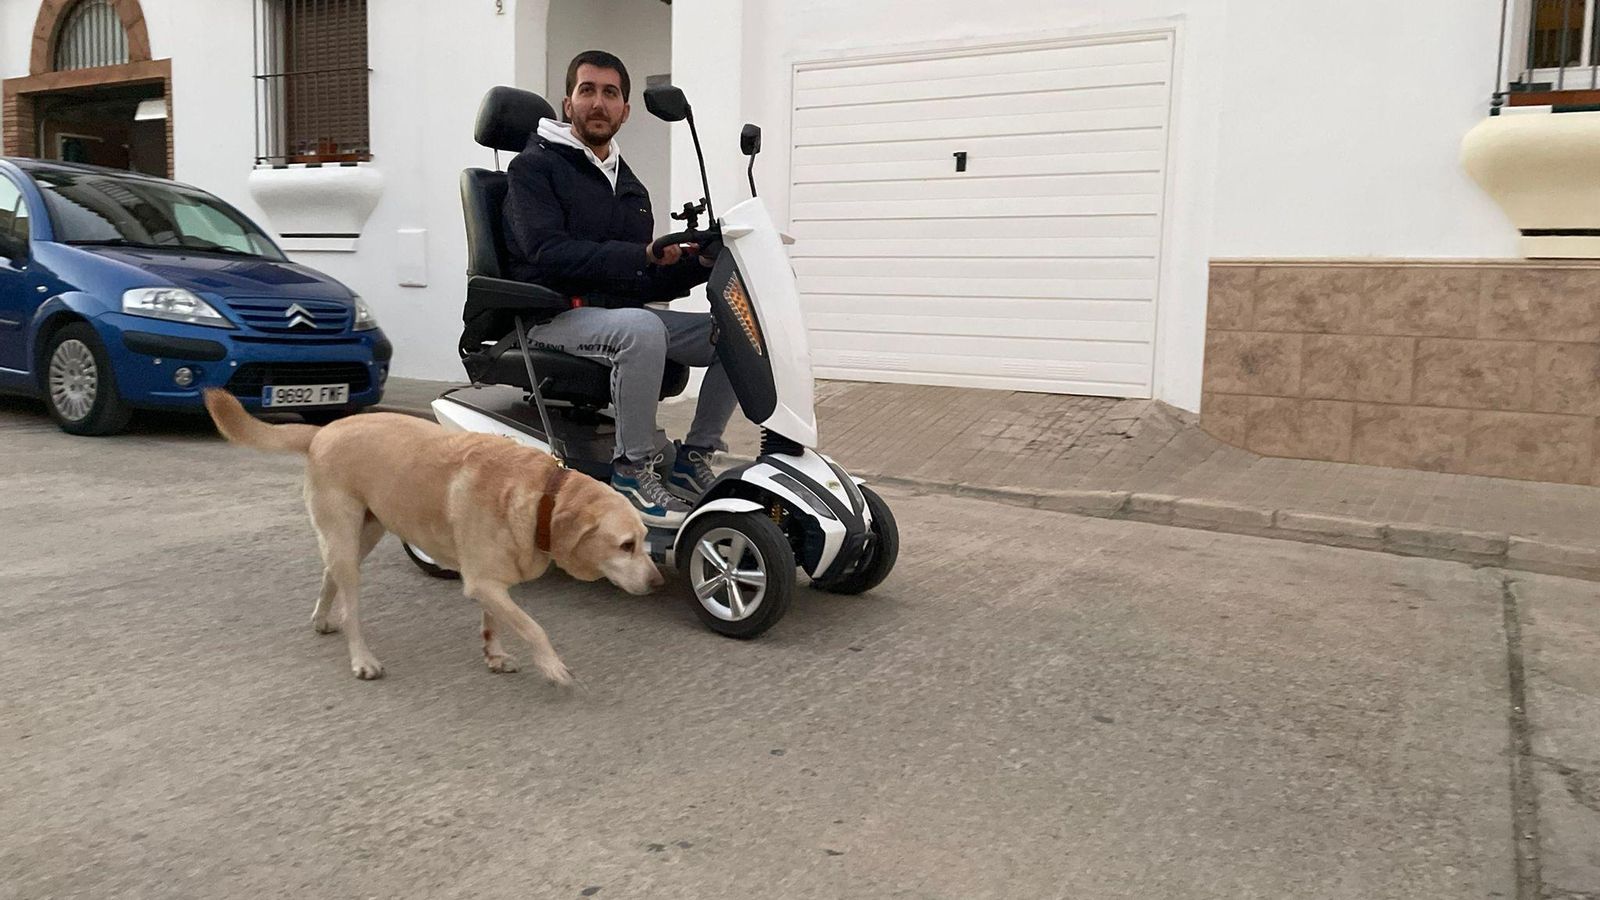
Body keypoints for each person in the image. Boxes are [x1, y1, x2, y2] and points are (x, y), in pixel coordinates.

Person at [500, 50, 737, 527]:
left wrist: (696, 261)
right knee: (642, 328)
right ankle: (631, 469)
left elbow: (639, 276)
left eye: (611, 94)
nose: (598, 103)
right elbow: (548, 252)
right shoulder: (533, 169)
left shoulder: (629, 186)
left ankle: (693, 458)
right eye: (587, 90)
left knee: (735, 333)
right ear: (567, 104)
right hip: (550, 315)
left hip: (615, 316)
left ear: (625, 111)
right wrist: (640, 255)